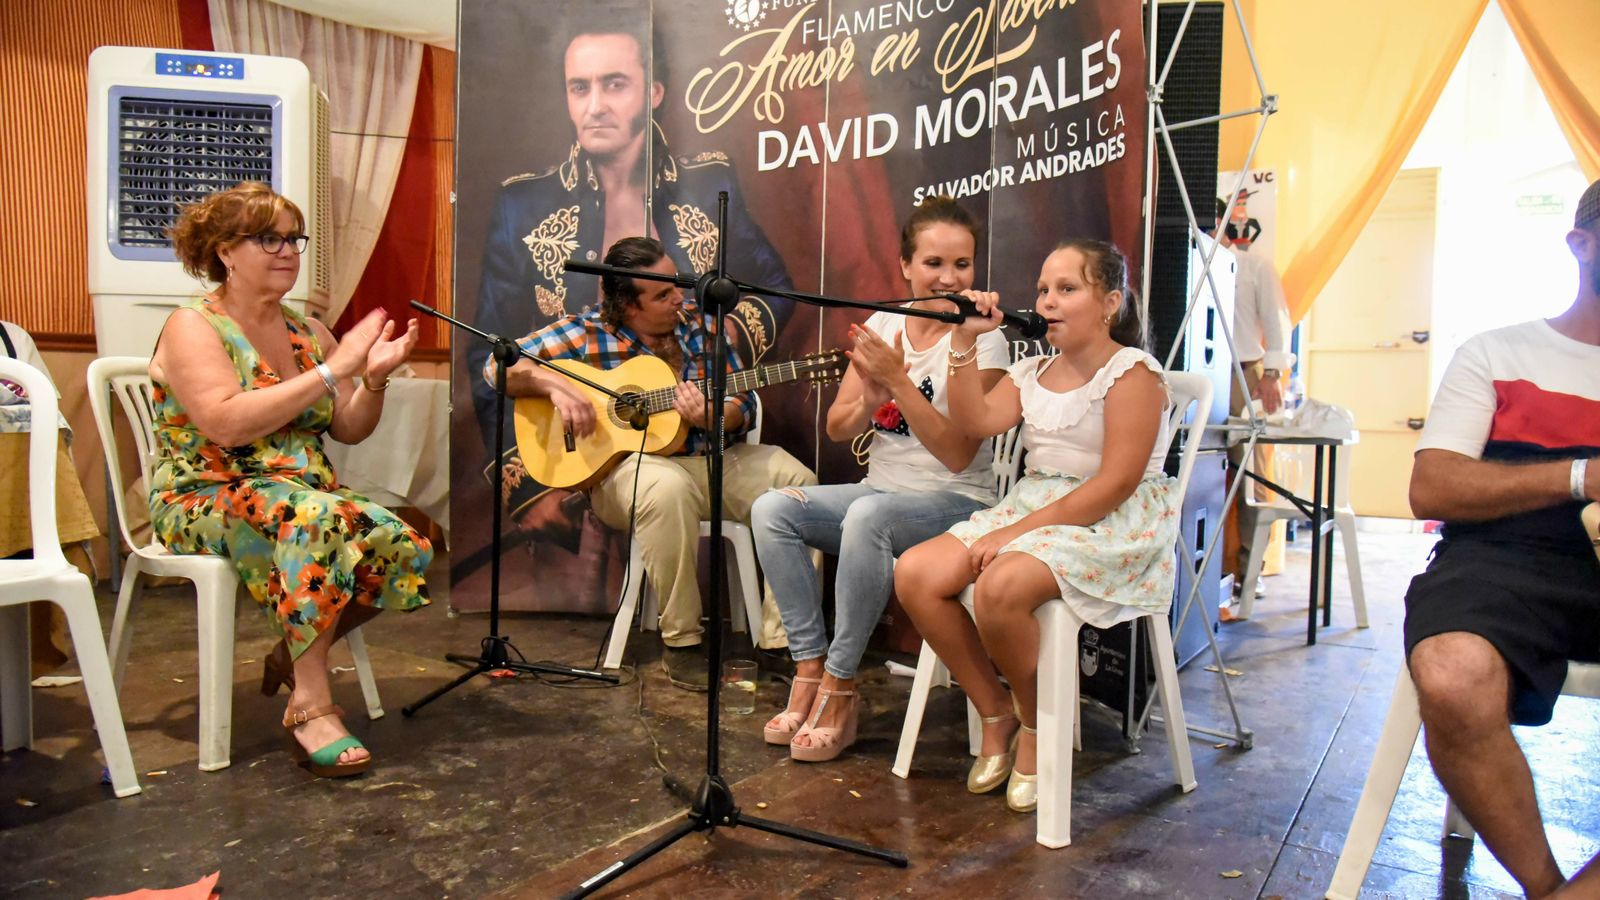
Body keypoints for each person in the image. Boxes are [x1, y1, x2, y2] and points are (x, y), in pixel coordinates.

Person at [472, 19, 796, 548]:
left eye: (615, 84)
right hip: (572, 450)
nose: (595, 104)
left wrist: (723, 342)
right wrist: (531, 484)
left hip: (679, 444)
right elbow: (487, 351)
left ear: (654, 93)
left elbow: (775, 286)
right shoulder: (522, 205)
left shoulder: (710, 181)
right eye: (581, 87)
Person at [150, 182, 432, 778]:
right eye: (268, 238)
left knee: (404, 543)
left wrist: (373, 379)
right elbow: (225, 423)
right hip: (206, 491)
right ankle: (311, 706)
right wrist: (333, 372)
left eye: (293, 239)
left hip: (299, 492)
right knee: (318, 521)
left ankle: (295, 646)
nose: (287, 251)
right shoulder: (193, 326)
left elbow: (350, 428)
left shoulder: (308, 332)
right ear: (225, 251)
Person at [895, 239, 1180, 813]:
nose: (1047, 301)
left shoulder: (1133, 373)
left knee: (1000, 584)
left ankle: (1034, 725)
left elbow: (1116, 484)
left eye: (1067, 289)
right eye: (1043, 290)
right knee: (915, 573)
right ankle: (995, 713)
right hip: (1034, 504)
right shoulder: (1031, 371)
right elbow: (973, 420)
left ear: (1109, 303)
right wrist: (965, 339)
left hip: (1110, 517)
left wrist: (1012, 536)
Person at [488, 236, 815, 691]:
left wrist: (717, 414)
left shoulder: (702, 329)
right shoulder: (584, 332)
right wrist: (551, 385)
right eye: (661, 294)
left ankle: (785, 641)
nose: (678, 297)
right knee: (664, 486)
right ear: (626, 306)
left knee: (798, 480)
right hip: (625, 479)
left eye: (675, 283)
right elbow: (496, 366)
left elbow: (742, 403)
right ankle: (682, 643)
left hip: (709, 464)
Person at [749, 198, 1009, 763]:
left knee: (868, 518)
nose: (950, 277)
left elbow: (960, 455)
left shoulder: (983, 339)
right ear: (905, 267)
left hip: (957, 502)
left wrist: (900, 383)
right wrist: (870, 396)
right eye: (935, 262)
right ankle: (810, 669)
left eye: (963, 265)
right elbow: (838, 427)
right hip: (881, 493)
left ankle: (841, 689)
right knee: (772, 509)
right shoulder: (884, 325)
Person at [1402, 179, 1600, 898]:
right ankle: (1550, 886)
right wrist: (1579, 476)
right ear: (1580, 245)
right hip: (1506, 557)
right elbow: (1433, 488)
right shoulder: (1498, 352)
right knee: (1452, 673)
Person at [1202, 196, 1293, 603]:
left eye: (1209, 224)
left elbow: (1277, 322)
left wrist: (1272, 374)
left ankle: (1248, 572)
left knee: (1250, 481)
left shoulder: (1255, 266)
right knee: (1200, 475)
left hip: (1244, 372)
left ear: (1223, 223)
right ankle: (1205, 573)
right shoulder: (1192, 263)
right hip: (1203, 371)